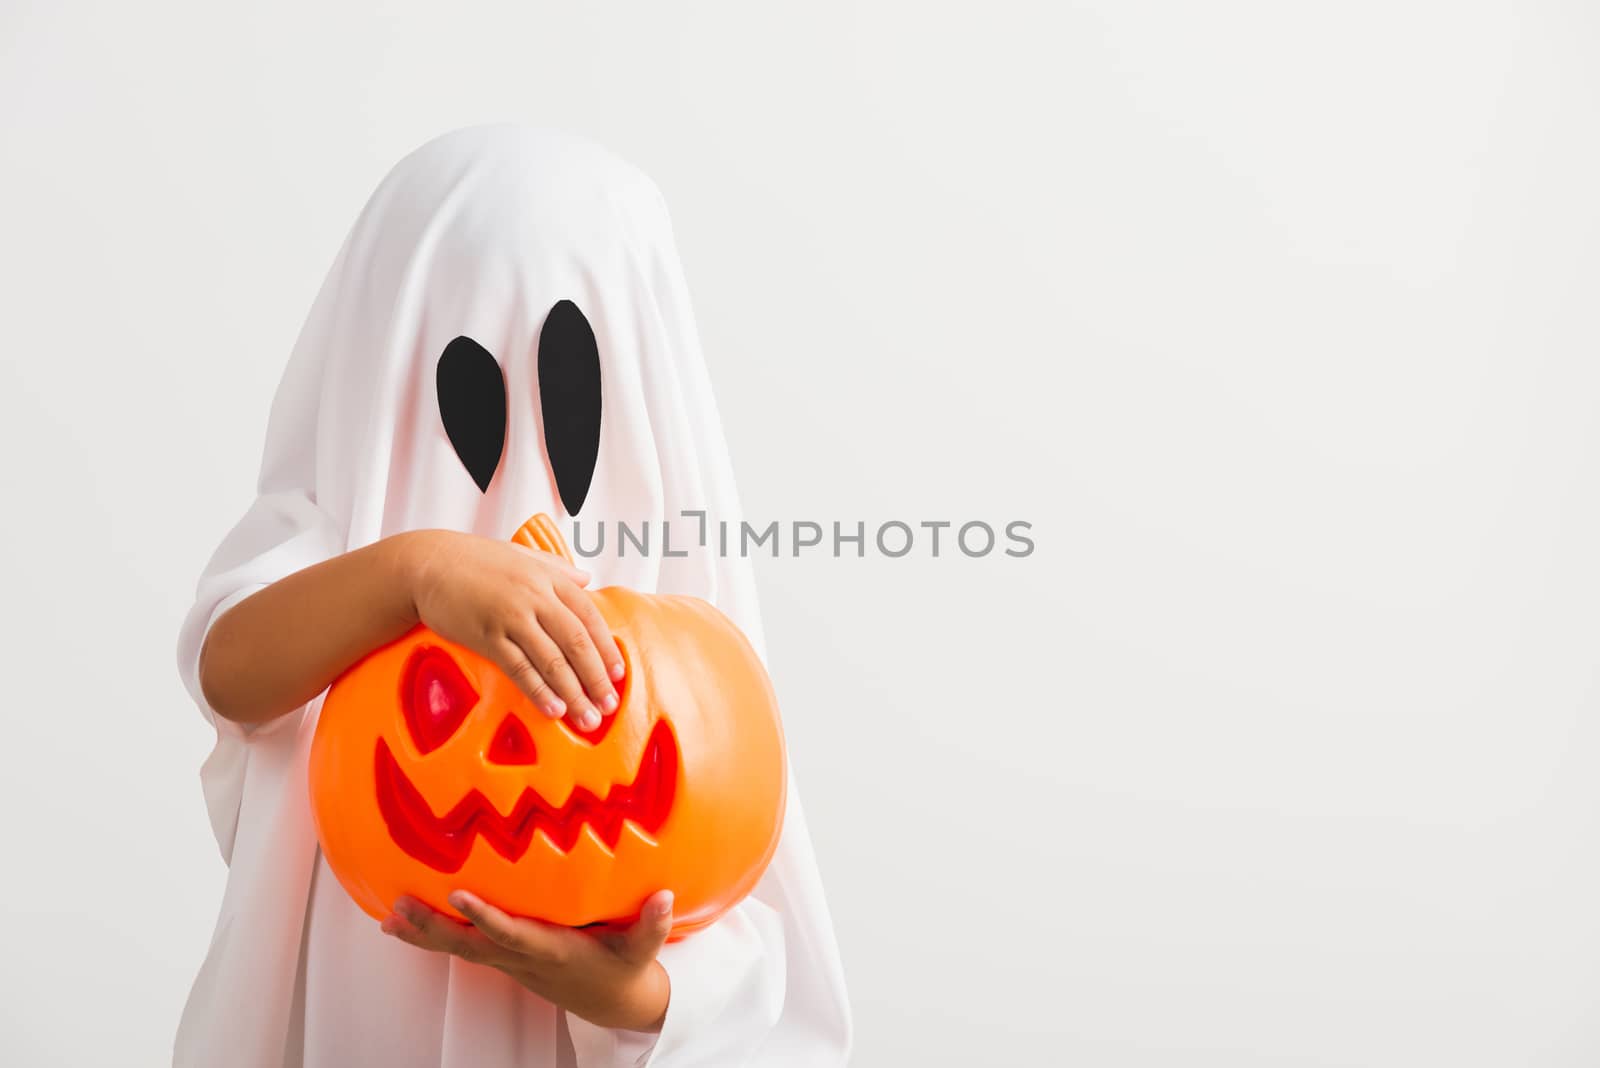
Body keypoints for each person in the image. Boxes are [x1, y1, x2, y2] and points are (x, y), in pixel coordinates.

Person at [173, 124, 851, 1067]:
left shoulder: (679, 600)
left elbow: (752, 926)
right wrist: (414, 573)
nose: (527, 451)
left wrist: (630, 993)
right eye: (467, 375)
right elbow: (230, 669)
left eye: (573, 387)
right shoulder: (331, 547)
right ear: (391, 365)